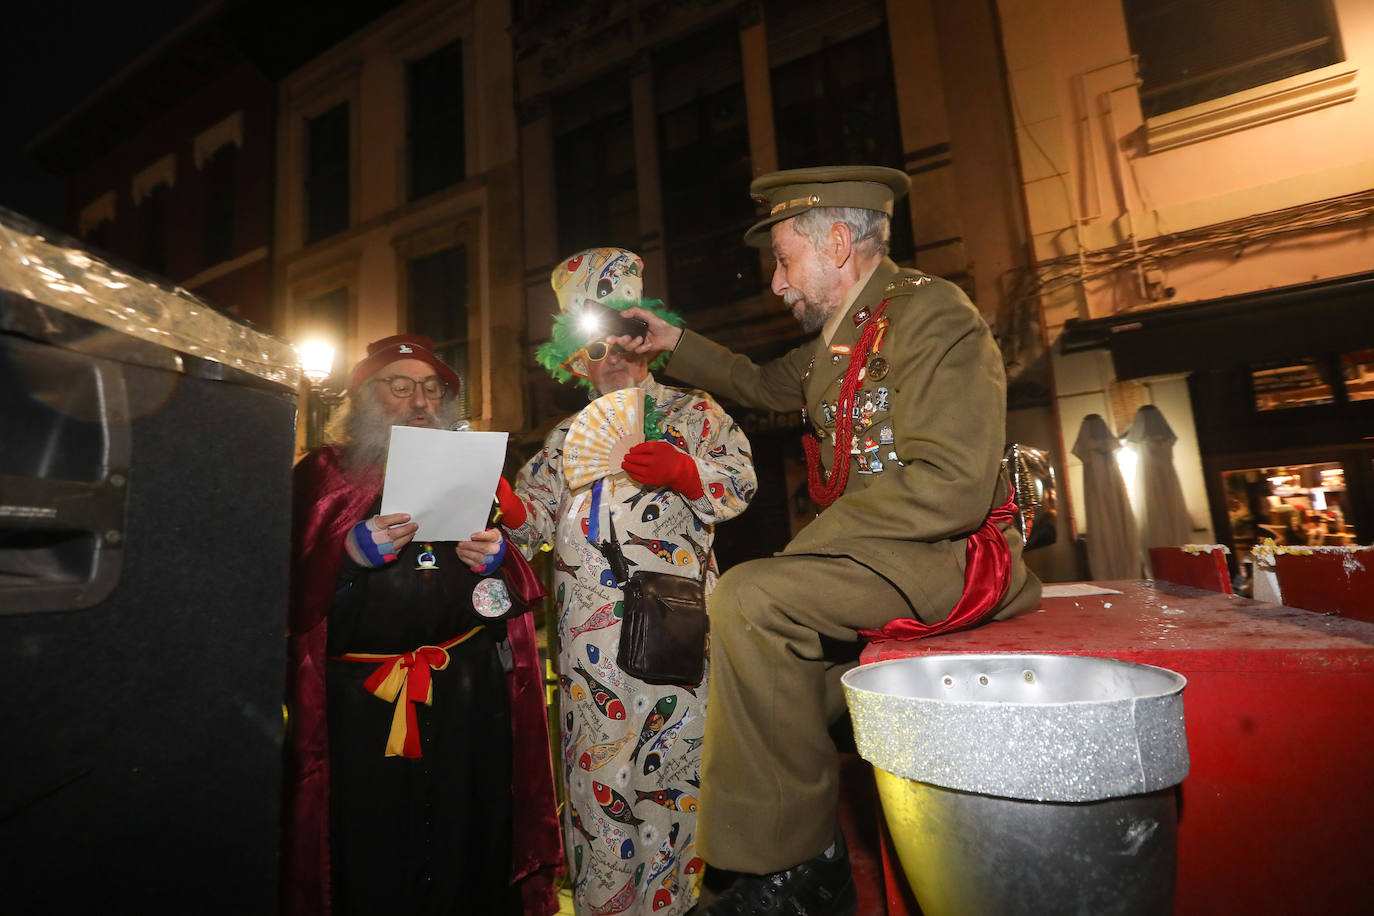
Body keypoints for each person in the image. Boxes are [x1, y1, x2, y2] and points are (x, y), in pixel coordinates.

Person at [614, 167, 1043, 916]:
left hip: (952, 556)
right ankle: (787, 851)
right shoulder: (841, 338)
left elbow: (952, 485)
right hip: (883, 553)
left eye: (784, 260)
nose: (777, 283)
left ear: (838, 243)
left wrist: (807, 552)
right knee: (764, 682)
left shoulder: (933, 314)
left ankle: (800, 868)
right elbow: (758, 383)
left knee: (751, 598)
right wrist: (672, 341)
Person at [497, 248, 757, 916]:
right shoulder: (562, 440)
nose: (609, 357)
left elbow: (740, 484)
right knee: (595, 794)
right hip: (586, 659)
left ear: (646, 338)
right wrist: (509, 508)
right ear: (573, 360)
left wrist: (687, 472)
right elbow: (527, 532)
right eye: (594, 347)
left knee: (676, 783)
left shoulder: (695, 413)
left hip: (676, 632)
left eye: (622, 339)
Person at [282, 334, 562, 916]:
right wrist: (345, 559)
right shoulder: (323, 475)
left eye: (433, 389)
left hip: (467, 698)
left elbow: (503, 607)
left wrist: (494, 568)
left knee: (467, 843)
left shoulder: (471, 477)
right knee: (375, 850)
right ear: (364, 396)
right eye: (401, 386)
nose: (420, 402)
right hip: (362, 707)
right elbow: (287, 596)